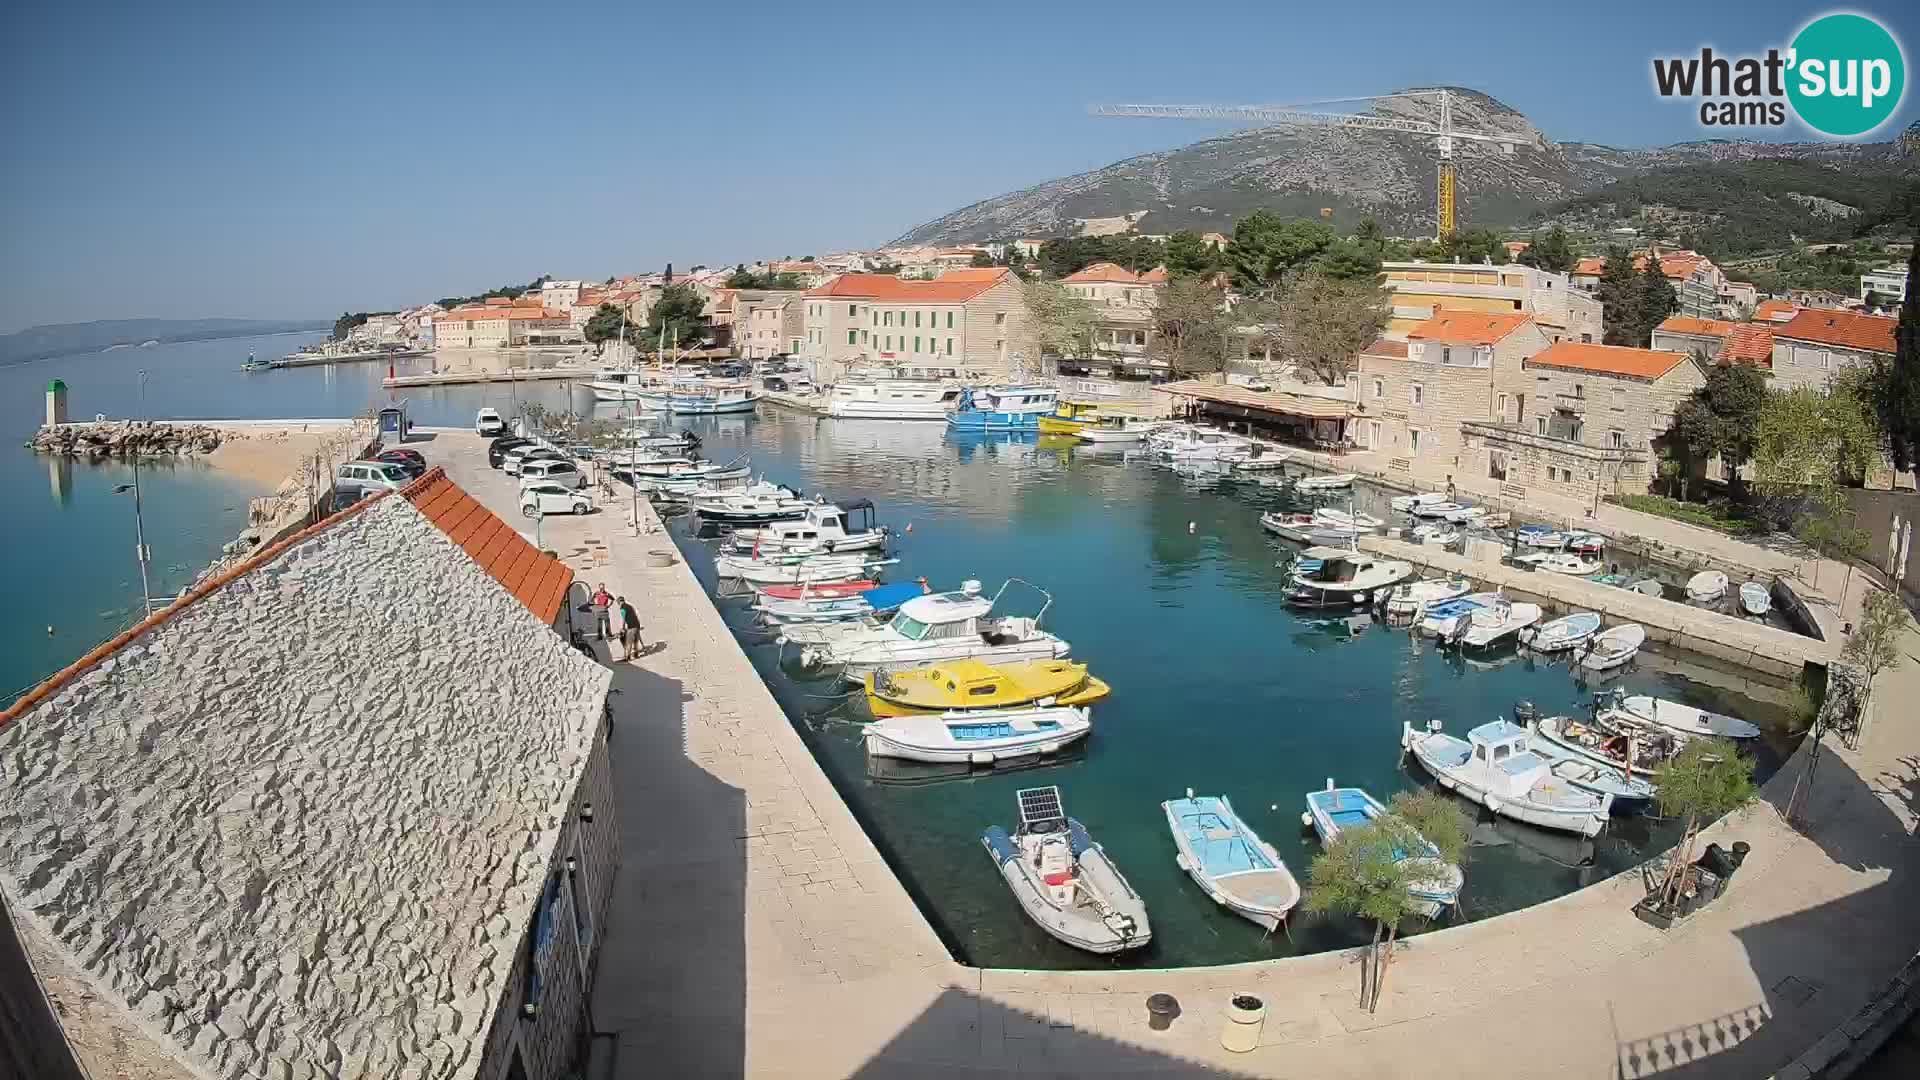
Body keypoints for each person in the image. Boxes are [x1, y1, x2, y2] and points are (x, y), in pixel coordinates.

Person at [617, 596, 643, 660]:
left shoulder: (622, 608)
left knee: (628, 642)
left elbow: (623, 619)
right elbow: (635, 615)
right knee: (635, 641)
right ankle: (636, 654)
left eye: (618, 603)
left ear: (619, 602)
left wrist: (622, 628)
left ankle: (627, 657)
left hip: (631, 626)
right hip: (637, 625)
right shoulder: (630, 606)